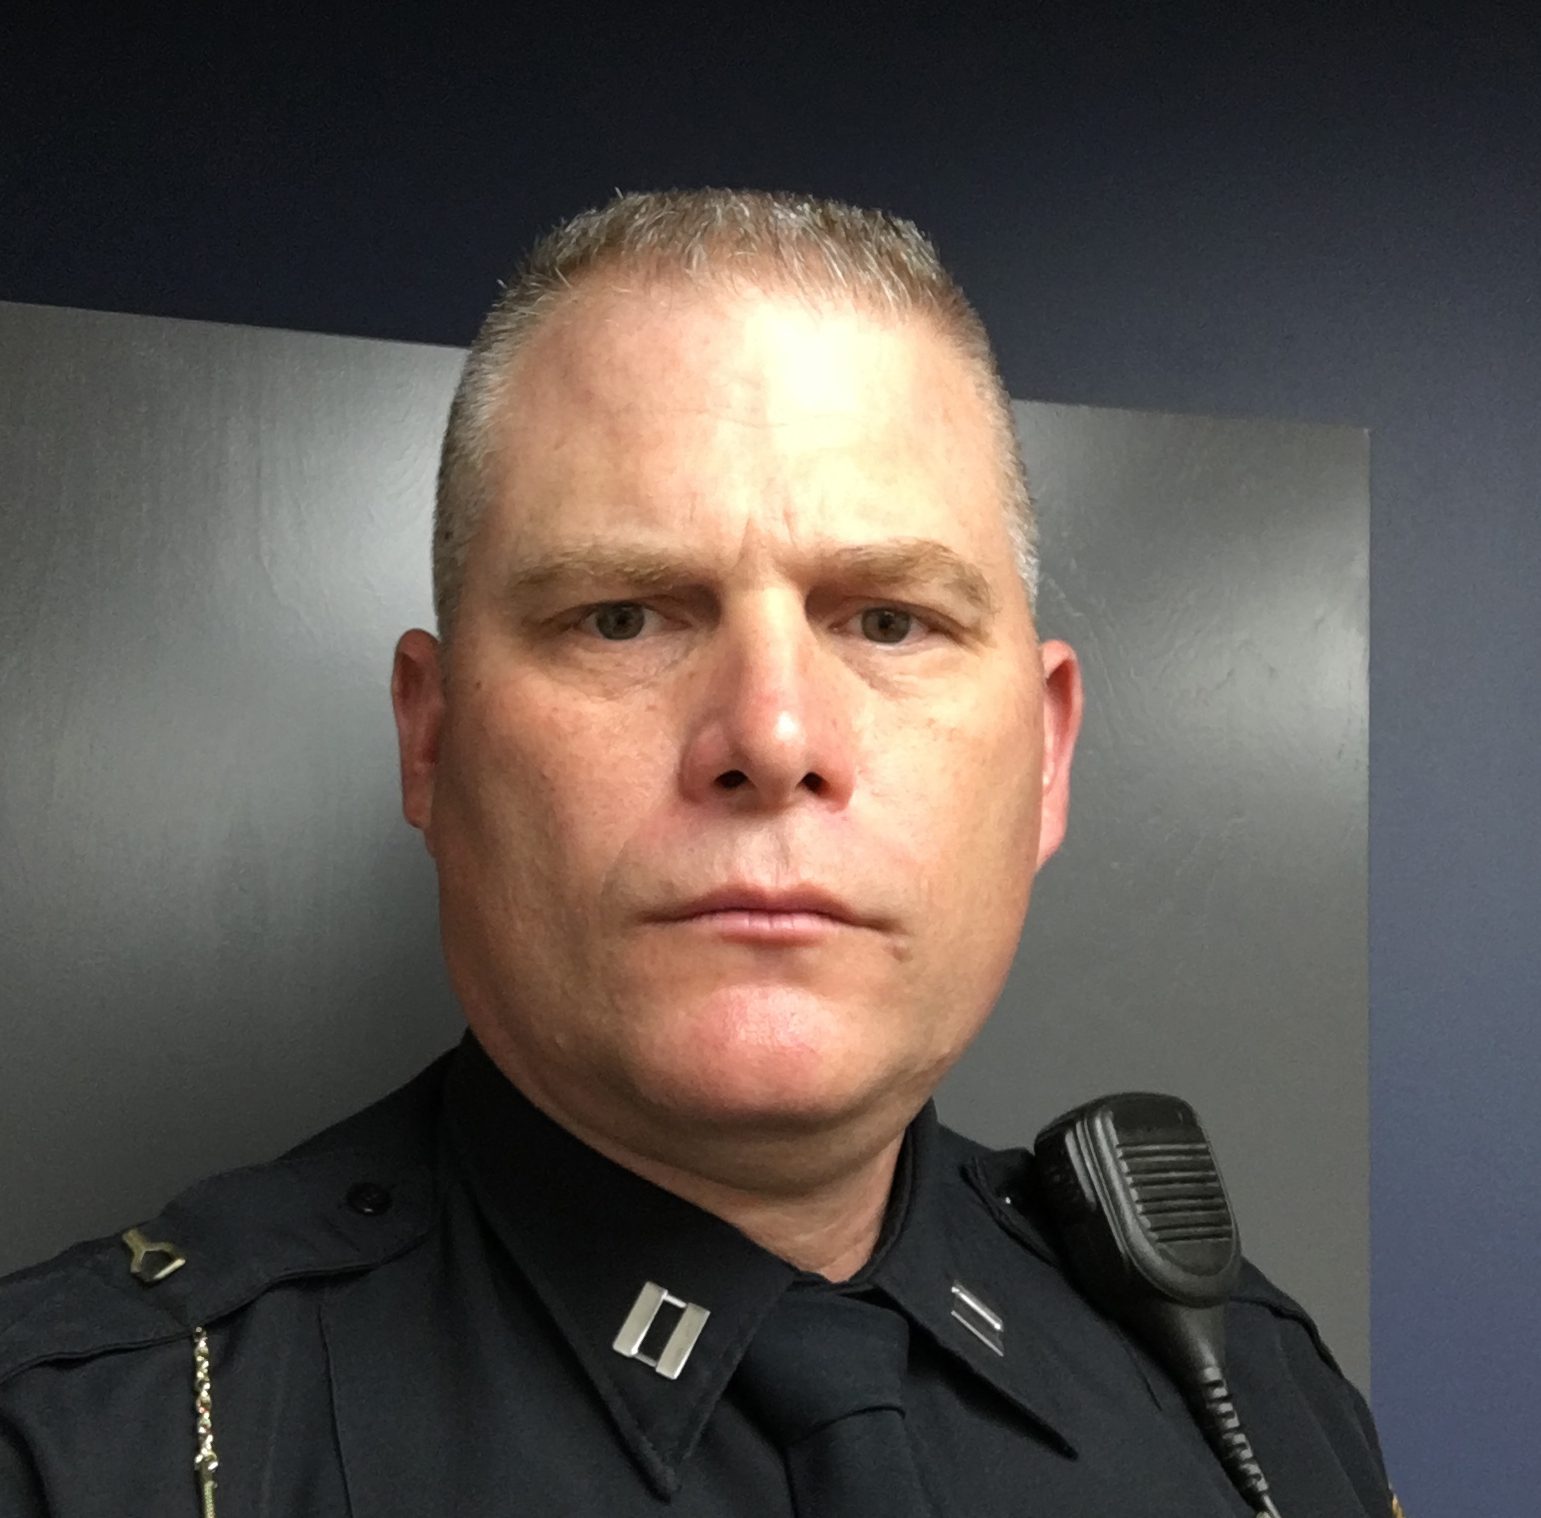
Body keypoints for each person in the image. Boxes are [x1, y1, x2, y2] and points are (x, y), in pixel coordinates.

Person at [0, 189, 1395, 1515]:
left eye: (890, 619)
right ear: (430, 742)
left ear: (1044, 758)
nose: (773, 733)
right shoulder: (92, 1450)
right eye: (622, 616)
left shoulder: (1255, 1402)